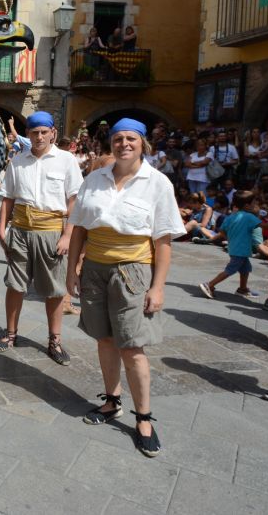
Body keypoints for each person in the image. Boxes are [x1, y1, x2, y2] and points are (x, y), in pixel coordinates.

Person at [66, 118, 185, 458]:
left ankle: (144, 418)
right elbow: (78, 230)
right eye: (118, 139)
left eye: (131, 138)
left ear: (143, 144)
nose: (124, 144)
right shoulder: (94, 179)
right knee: (104, 339)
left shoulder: (158, 183)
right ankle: (112, 401)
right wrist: (73, 270)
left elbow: (163, 242)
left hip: (133, 271)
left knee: (132, 346)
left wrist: (158, 287)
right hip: (94, 269)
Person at [0, 111, 83, 365]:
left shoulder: (66, 161)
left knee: (54, 290)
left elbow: (74, 200)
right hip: (20, 229)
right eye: (34, 132)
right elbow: (8, 197)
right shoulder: (18, 161)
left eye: (44, 132)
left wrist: (67, 235)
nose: (39, 136)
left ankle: (54, 340)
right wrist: (2, 229)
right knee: (14, 284)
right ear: (28, 134)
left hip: (51, 230)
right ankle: (10, 334)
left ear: (53, 133)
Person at [199, 191, 262, 300]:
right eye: (254, 203)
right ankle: (209, 285)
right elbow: (264, 225)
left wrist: (231, 238)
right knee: (230, 270)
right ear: (247, 205)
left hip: (234, 248)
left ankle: (242, 289)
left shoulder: (231, 217)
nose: (255, 205)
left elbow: (222, 232)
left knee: (245, 269)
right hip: (241, 250)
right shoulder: (249, 217)